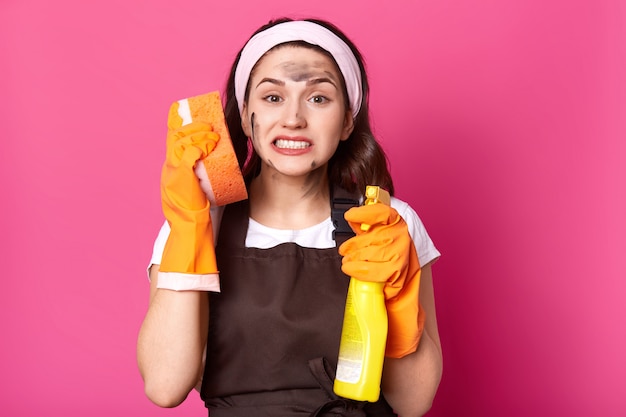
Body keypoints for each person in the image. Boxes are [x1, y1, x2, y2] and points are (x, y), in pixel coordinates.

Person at [137, 17, 443, 417]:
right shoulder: (200, 225)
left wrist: (399, 295)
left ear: (348, 119)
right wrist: (189, 229)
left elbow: (414, 403)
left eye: (318, 98)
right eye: (272, 98)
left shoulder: (387, 223)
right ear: (246, 114)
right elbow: (164, 384)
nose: (294, 119)